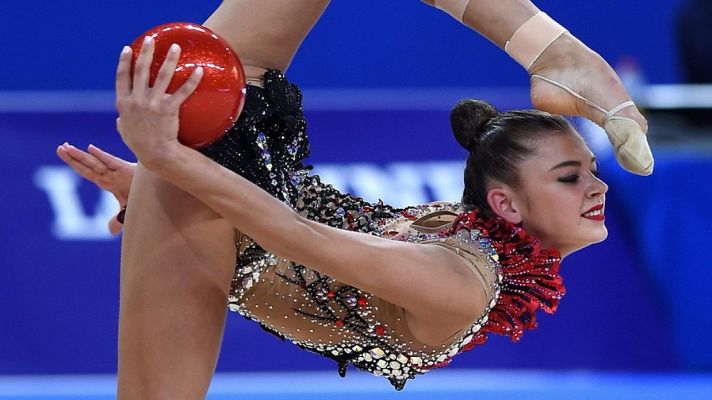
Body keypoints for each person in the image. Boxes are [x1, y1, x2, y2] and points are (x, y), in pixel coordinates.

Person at [56, 0, 651, 397]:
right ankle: (552, 53)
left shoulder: (461, 280)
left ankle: (554, 54)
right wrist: (165, 176)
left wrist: (168, 164)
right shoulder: (459, 234)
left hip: (209, 245)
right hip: (233, 195)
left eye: (577, 176)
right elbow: (305, 216)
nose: (599, 187)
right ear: (503, 205)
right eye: (578, 173)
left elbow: (300, 238)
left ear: (511, 210)